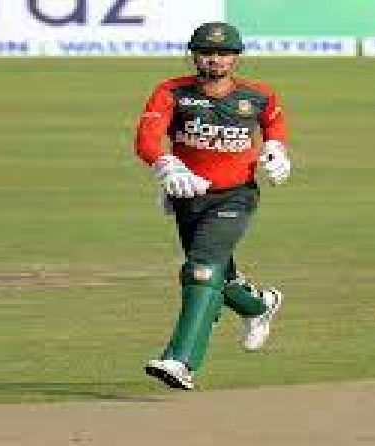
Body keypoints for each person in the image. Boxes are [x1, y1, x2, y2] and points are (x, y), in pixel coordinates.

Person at [134, 21, 292, 390]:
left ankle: (181, 361)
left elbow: (274, 125)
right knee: (216, 273)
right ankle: (260, 305)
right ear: (194, 55)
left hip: (236, 195)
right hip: (188, 195)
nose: (215, 59)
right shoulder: (172, 92)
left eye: (224, 53)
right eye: (207, 52)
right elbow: (147, 139)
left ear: (236, 57)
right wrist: (166, 165)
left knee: (202, 270)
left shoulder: (258, 95)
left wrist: (276, 151)